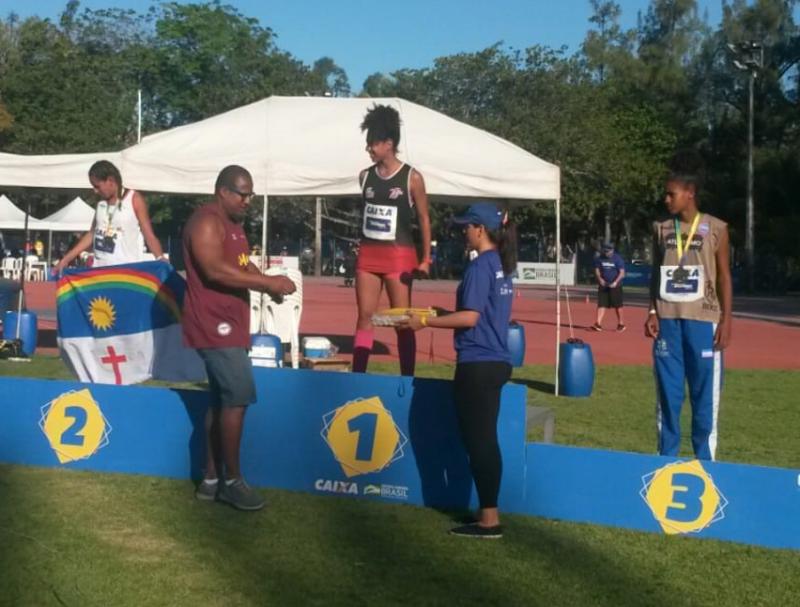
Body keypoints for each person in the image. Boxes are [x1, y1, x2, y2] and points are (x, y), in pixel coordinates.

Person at [182, 165, 296, 510]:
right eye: (242, 194)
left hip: (231, 322)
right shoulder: (205, 221)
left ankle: (211, 479)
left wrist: (269, 282)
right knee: (238, 394)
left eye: (251, 195)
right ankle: (232, 480)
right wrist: (267, 283)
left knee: (222, 399)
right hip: (212, 324)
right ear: (223, 191)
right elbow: (214, 269)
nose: (248, 201)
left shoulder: (235, 225)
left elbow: (243, 266)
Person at [401, 202, 516, 539]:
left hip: (477, 363)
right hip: (495, 360)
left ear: (480, 229)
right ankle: (487, 513)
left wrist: (426, 321)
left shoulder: (481, 266)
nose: (463, 231)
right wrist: (442, 313)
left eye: (467, 226)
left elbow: (470, 318)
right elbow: (478, 312)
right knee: (484, 440)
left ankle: (489, 520)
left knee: (479, 442)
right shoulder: (502, 265)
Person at [645, 151, 732, 461]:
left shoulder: (717, 228)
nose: (666, 199)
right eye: (666, 193)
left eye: (671, 193)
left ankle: (706, 462)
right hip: (668, 320)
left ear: (689, 193)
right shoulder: (661, 229)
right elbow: (656, 272)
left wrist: (726, 321)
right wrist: (652, 310)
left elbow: (724, 277)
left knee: (704, 396)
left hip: (703, 322)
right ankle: (666, 460)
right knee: (668, 395)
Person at [353, 104, 432, 376]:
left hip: (399, 258)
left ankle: (407, 378)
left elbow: (423, 218)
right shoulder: (365, 176)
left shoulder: (413, 178)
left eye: (373, 143)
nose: (369, 149)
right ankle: (358, 377)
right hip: (368, 257)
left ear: (388, 143)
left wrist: (425, 259)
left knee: (402, 320)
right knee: (365, 317)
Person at [54, 160, 165, 273]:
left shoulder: (134, 199)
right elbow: (92, 234)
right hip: (100, 271)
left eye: (97, 186)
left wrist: (160, 258)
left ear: (111, 180)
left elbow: (149, 235)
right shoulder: (100, 204)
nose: (95, 191)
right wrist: (66, 259)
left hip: (126, 271)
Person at [591, 242, 626, 332]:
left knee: (618, 305)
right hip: (603, 285)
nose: (607, 253)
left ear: (612, 250)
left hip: (615, 286)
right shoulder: (599, 259)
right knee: (601, 304)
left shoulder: (618, 259)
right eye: (605, 251)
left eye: (609, 251)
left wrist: (615, 282)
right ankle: (598, 324)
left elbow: (622, 273)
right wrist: (600, 279)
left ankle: (621, 324)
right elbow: (597, 270)